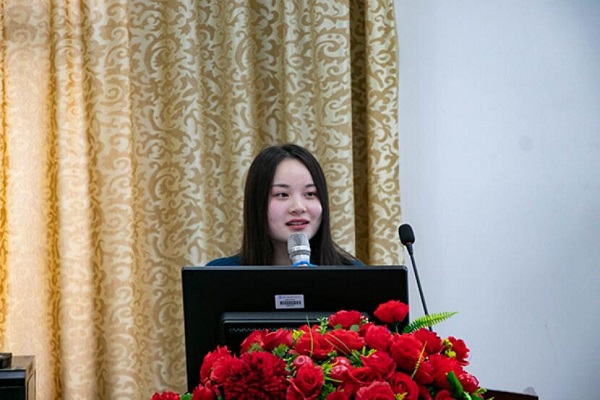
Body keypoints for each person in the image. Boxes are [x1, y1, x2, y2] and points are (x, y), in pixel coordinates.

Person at [207, 143, 362, 266]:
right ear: (257, 203)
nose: (299, 207)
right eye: (282, 194)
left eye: (310, 194)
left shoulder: (353, 275)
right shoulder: (220, 275)